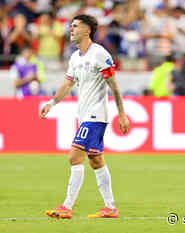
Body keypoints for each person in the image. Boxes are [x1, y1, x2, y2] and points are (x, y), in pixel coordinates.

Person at [39, 14, 130, 219]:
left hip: (95, 114)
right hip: (84, 115)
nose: (70, 29)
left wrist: (122, 114)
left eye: (75, 26)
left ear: (87, 30)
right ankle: (110, 208)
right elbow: (68, 84)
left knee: (74, 156)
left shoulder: (99, 54)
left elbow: (113, 84)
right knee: (96, 160)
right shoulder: (74, 57)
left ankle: (66, 207)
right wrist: (51, 103)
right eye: (70, 26)